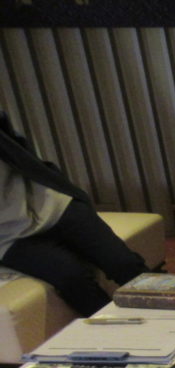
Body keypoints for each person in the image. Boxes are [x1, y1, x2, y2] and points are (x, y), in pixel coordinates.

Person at [0, 110, 148, 316]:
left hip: (52, 204)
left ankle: (174, 319)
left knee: (124, 263)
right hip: (8, 236)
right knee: (72, 277)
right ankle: (118, 329)